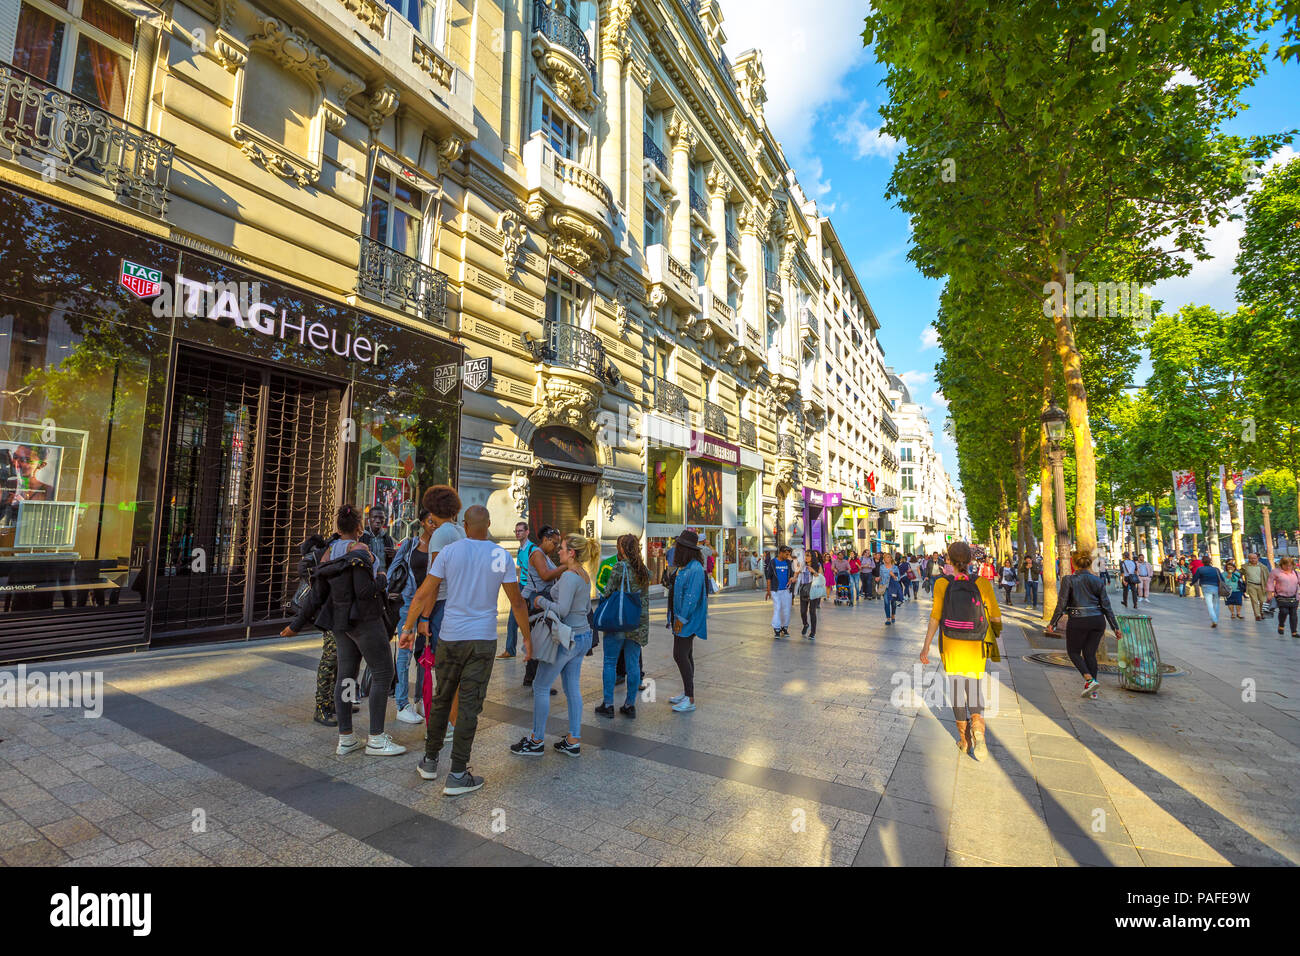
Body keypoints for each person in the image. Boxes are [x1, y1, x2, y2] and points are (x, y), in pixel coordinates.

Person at [401, 505, 530, 794]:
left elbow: (424, 592)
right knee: (469, 705)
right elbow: (518, 602)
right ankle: (458, 773)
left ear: (465, 525)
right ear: (489, 524)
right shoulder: (499, 555)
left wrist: (409, 628)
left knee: (442, 698)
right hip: (481, 640)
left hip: (449, 637)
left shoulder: (449, 552)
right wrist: (527, 639)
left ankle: (430, 762)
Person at [282, 504, 405, 757]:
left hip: (341, 624)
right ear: (359, 528)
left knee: (347, 676)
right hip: (365, 621)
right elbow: (364, 591)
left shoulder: (328, 553)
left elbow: (316, 595)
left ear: (338, 527)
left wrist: (295, 626)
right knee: (383, 673)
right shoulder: (361, 552)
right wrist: (382, 577)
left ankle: (346, 737)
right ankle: (377, 739)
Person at [511, 533, 599, 756]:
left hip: (566, 638)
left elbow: (562, 610)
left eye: (562, 548)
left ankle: (536, 740)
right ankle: (573, 739)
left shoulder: (570, 576)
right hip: (582, 636)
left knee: (540, 686)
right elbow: (586, 608)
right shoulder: (583, 575)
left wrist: (541, 601)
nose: (558, 551)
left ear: (571, 553)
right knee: (572, 688)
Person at [919, 541, 1002, 760]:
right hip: (975, 644)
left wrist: (926, 645)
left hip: (951, 642)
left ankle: (964, 741)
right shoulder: (982, 583)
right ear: (971, 560)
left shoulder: (941, 584)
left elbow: (935, 616)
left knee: (956, 689)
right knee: (973, 686)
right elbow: (995, 617)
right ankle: (978, 729)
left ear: (948, 560)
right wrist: (996, 632)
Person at [1048, 548, 1122, 700]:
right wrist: (1115, 627)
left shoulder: (1069, 580)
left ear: (1074, 563)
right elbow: (1106, 605)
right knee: (1089, 654)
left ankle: (1090, 679)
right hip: (1097, 621)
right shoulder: (1098, 580)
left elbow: (1061, 604)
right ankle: (1092, 691)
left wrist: (1053, 623)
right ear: (1089, 564)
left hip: (1078, 620)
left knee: (1074, 652)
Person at [594, 534, 650, 718]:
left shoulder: (620, 567)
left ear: (622, 549)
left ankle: (608, 704)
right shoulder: (644, 569)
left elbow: (608, 591)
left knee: (610, 662)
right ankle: (629, 704)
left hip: (618, 622)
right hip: (636, 623)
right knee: (633, 665)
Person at [390, 508, 436, 724]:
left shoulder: (440, 548)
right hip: (408, 603)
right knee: (404, 654)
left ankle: (419, 699)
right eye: (430, 521)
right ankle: (401, 703)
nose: (434, 525)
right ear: (422, 522)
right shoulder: (410, 544)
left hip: (429, 606)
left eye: (436, 521)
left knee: (423, 654)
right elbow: (394, 570)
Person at [668, 529, 709, 712]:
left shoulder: (695, 569)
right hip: (680, 617)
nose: (675, 548)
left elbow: (691, 598)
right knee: (686, 654)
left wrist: (681, 619)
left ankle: (690, 698)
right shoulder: (684, 566)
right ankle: (686, 693)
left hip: (687, 619)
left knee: (680, 654)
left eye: (678, 546)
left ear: (686, 549)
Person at [521, 526, 564, 689]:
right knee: (539, 639)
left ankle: (531, 678)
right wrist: (566, 566)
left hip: (541, 600)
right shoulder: (537, 554)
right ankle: (535, 680)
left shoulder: (545, 555)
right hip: (535, 601)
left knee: (539, 639)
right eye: (554, 543)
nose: (556, 547)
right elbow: (545, 575)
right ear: (545, 540)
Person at [499, 521, 533, 660]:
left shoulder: (532, 549)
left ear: (527, 532)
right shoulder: (520, 549)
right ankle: (510, 649)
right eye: (516, 531)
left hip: (530, 588)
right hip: (521, 586)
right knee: (513, 619)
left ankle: (532, 649)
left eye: (520, 531)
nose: (518, 533)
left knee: (530, 620)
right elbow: (520, 570)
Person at [1265, 556, 1299, 637]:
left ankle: (1294, 632)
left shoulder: (1296, 573)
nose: (1288, 567)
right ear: (1282, 564)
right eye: (1286, 565)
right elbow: (1270, 582)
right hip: (1281, 596)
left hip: (1294, 597)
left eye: (1290, 565)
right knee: (1284, 611)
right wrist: (1270, 593)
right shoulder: (1275, 572)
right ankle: (1281, 625)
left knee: (1293, 614)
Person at [766, 544, 794, 638]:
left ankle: (784, 627)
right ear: (781, 553)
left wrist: (792, 578)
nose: (787, 556)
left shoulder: (789, 563)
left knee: (786, 610)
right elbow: (768, 577)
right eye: (786, 554)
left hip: (786, 590)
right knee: (777, 608)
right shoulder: (773, 562)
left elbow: (792, 575)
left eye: (789, 554)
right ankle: (776, 628)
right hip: (775, 589)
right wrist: (768, 590)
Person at [797, 550, 826, 640]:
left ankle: (813, 632)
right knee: (802, 611)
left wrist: (813, 571)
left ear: (812, 557)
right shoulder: (802, 565)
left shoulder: (817, 565)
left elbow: (821, 577)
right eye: (805, 555)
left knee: (812, 612)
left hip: (813, 590)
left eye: (808, 555)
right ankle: (805, 624)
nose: (806, 557)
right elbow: (797, 574)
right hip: (803, 589)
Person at [1190, 559, 1226, 628]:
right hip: (1216, 587)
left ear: (1202, 562)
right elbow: (1222, 578)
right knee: (1216, 604)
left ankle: (1214, 620)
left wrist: (1192, 583)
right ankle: (1216, 619)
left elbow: (1195, 577)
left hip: (1206, 587)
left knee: (1210, 605)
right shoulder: (1216, 569)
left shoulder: (1200, 569)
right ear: (1210, 562)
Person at [361, 506, 396, 573]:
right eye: (375, 517)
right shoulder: (362, 537)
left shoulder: (388, 539)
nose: (378, 520)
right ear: (369, 519)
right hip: (366, 576)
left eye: (381, 518)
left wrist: (394, 555)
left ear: (384, 520)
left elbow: (392, 562)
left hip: (384, 578)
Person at [1241, 553, 1269, 622]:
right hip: (1251, 585)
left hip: (1261, 585)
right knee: (1254, 601)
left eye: (1254, 558)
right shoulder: (1245, 567)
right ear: (1249, 559)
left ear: (1257, 558)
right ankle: (1257, 615)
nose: (1253, 559)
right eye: (1251, 558)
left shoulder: (1263, 567)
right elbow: (1239, 573)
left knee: (1263, 600)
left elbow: (1268, 576)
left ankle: (1261, 612)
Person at [880, 552, 903, 625]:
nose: (887, 558)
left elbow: (898, 578)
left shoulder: (895, 567)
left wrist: (893, 575)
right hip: (885, 587)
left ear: (891, 559)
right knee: (886, 602)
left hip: (893, 588)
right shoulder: (882, 567)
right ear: (884, 559)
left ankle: (893, 614)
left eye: (889, 557)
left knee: (893, 603)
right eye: (886, 557)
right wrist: (878, 579)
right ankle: (888, 619)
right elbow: (881, 576)